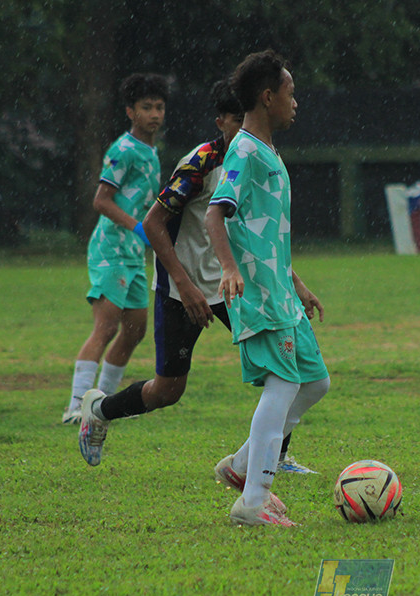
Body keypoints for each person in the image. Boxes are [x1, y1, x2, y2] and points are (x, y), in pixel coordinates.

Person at [76, 79, 316, 475]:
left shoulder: (259, 157)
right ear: (220, 121)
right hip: (182, 288)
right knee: (167, 390)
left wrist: (294, 282)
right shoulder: (200, 163)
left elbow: (263, 233)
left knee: (283, 363)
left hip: (234, 283)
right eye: (236, 121)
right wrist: (184, 286)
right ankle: (99, 409)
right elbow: (153, 224)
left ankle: (274, 456)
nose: (244, 129)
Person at [205, 50, 330, 527]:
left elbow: (269, 229)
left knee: (314, 382)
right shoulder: (243, 151)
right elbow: (216, 211)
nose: (295, 102)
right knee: (283, 384)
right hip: (257, 292)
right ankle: (253, 502)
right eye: (290, 93)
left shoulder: (268, 151)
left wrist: (298, 283)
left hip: (281, 292)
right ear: (267, 96)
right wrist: (229, 268)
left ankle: (240, 466)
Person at [62, 73, 168, 424]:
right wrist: (137, 226)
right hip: (110, 249)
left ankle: (104, 403)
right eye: (146, 107)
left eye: (159, 107)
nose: (154, 114)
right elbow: (101, 201)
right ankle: (77, 405)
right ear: (130, 111)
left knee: (136, 330)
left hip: (134, 255)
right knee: (105, 328)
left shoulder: (152, 152)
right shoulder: (122, 150)